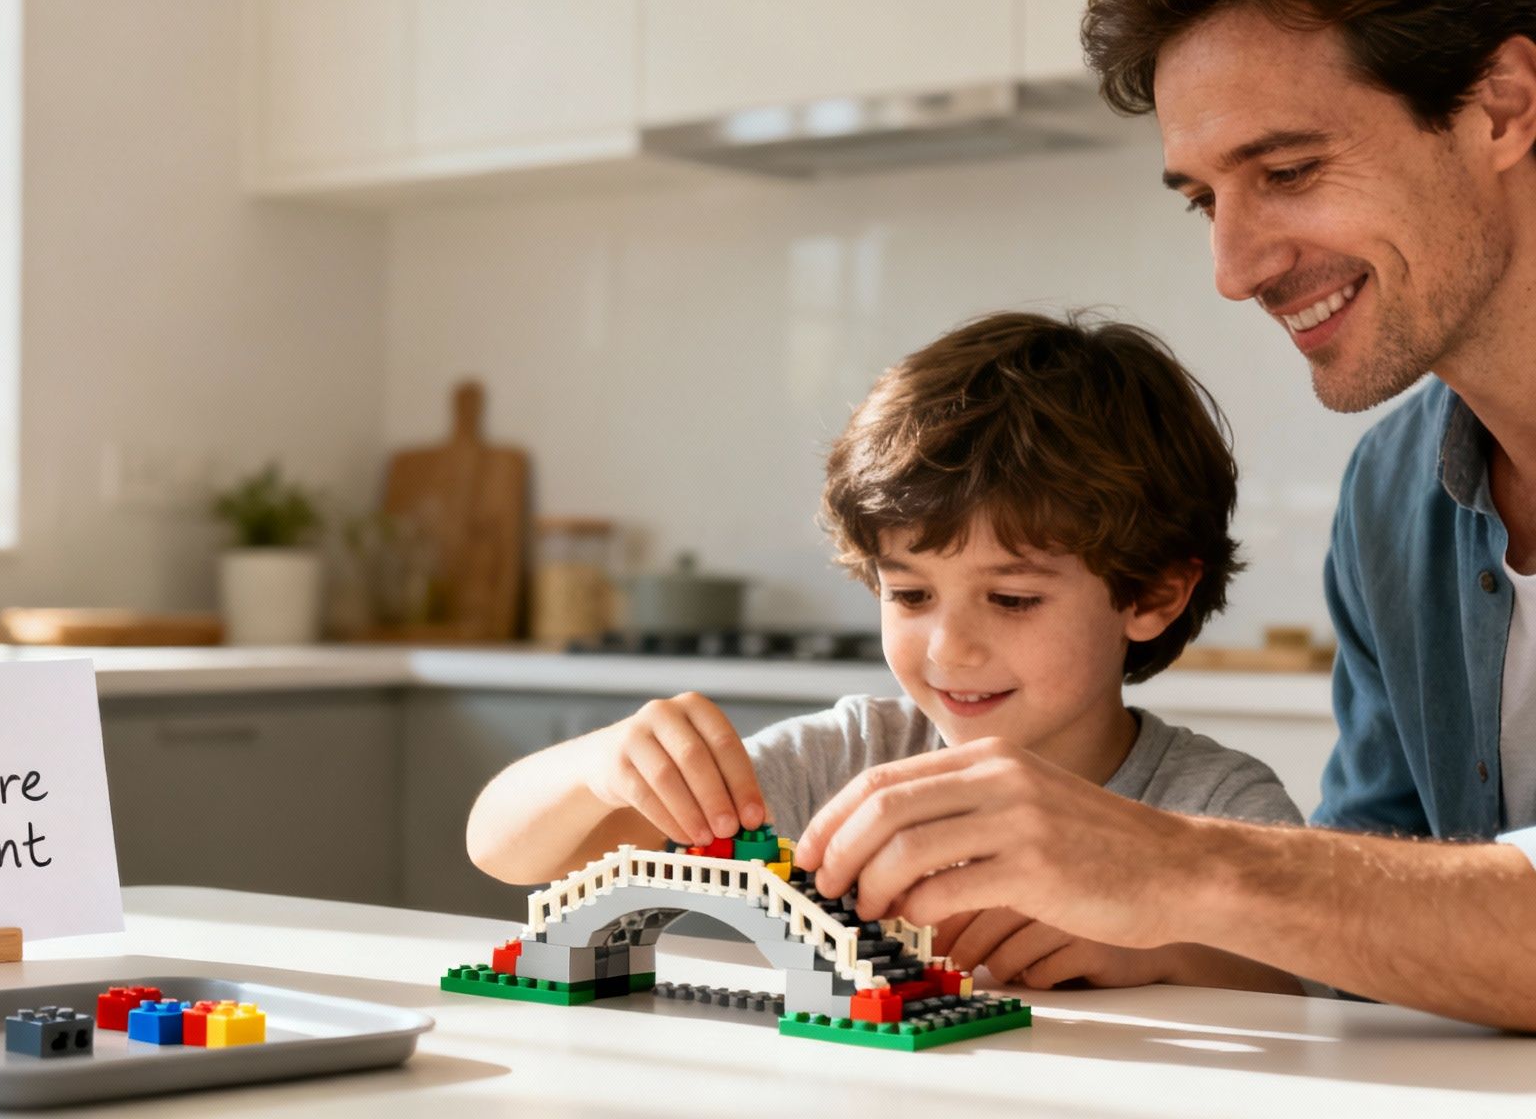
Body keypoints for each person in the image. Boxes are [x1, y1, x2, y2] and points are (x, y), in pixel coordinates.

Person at [776, 0, 1536, 1031]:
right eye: (1202, 200)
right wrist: (1154, 933)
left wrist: (1166, 867)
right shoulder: (1389, 493)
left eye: (1287, 167)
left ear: (1499, 106)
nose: (1230, 267)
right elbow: (1365, 934)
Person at [466, 310, 1304, 994]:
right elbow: (506, 853)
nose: (950, 648)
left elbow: (1304, 991)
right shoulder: (848, 763)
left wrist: (1157, 948)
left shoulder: (1210, 803)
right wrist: (598, 765)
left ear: (1153, 594)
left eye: (1012, 599)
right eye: (909, 594)